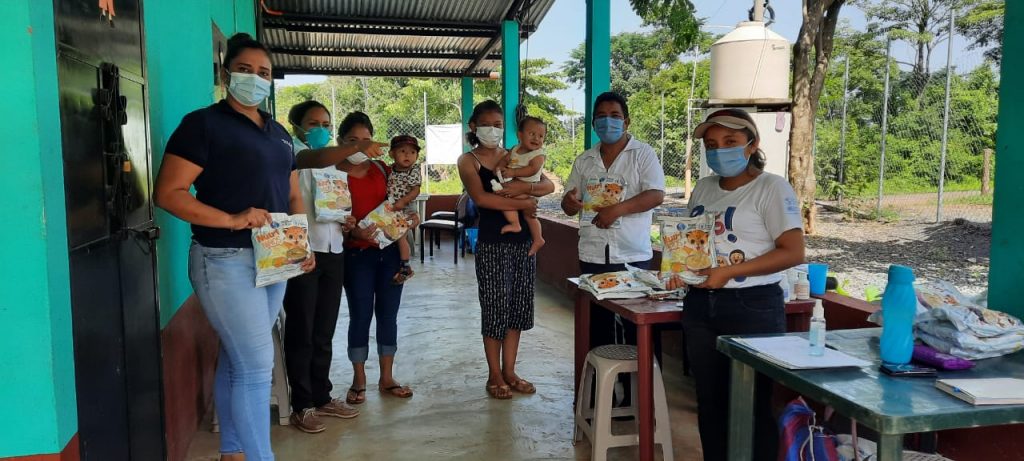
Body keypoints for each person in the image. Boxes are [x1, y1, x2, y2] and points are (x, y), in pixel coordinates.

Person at [153, 33, 311, 461]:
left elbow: (291, 194)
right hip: (224, 259)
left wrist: (301, 243)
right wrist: (232, 219)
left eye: (264, 73)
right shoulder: (203, 125)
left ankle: (233, 451)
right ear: (226, 75)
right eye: (245, 70)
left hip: (275, 258)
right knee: (256, 366)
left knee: (239, 360)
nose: (254, 79)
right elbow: (168, 193)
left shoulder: (279, 133)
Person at [668, 108, 805, 461]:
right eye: (712, 145)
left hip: (753, 306)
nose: (719, 151)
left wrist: (729, 272)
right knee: (710, 402)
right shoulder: (704, 187)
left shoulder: (771, 187)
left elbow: (793, 251)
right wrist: (676, 268)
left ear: (752, 144)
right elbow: (694, 242)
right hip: (701, 305)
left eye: (730, 141)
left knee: (753, 404)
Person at [281, 100, 376, 433]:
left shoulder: (335, 168)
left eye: (325, 124)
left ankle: (322, 395)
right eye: (313, 123)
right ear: (296, 126)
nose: (320, 129)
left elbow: (337, 209)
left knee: (324, 329)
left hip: (334, 251)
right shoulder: (293, 158)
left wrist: (346, 221)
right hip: (303, 253)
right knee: (302, 330)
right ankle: (302, 404)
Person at [457, 100, 556, 399]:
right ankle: (494, 374)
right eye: (486, 124)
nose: (493, 130)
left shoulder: (515, 154)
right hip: (492, 243)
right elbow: (482, 198)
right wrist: (524, 203)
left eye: (498, 125)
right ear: (473, 126)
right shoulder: (468, 161)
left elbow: (548, 186)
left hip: (524, 243)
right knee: (495, 308)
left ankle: (510, 371)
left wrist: (526, 190)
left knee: (517, 309)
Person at [560, 91, 666, 359]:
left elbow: (656, 194)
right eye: (601, 117)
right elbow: (568, 203)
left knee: (636, 328)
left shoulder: (642, 154)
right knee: (599, 327)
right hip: (593, 254)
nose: (608, 122)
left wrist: (617, 210)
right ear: (593, 123)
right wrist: (569, 203)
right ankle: (603, 381)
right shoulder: (585, 160)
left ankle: (639, 382)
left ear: (626, 121)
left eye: (615, 116)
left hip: (632, 255)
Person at [335, 112, 417, 404]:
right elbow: (329, 217)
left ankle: (387, 378)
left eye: (366, 140)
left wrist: (410, 217)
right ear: (340, 142)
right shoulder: (333, 174)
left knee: (388, 314)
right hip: (356, 255)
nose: (360, 146)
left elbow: (399, 201)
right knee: (360, 315)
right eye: (353, 140)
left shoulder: (383, 169)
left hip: (390, 252)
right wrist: (353, 232)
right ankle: (359, 380)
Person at [495, 116, 548, 256]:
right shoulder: (515, 149)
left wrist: (513, 172)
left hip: (529, 188)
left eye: (541, 136)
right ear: (520, 135)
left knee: (506, 200)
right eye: (532, 134)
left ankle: (534, 236)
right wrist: (500, 167)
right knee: (526, 214)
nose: (536, 138)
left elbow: (533, 169)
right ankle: (522, 228)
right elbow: (505, 159)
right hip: (515, 184)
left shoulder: (538, 154)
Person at [384, 134, 422, 284]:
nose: (408, 155)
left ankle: (406, 266)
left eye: (412, 152)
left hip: (406, 207)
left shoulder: (413, 171)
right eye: (402, 151)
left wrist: (403, 201)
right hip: (392, 207)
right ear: (391, 154)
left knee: (401, 236)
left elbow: (416, 190)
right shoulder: (389, 170)